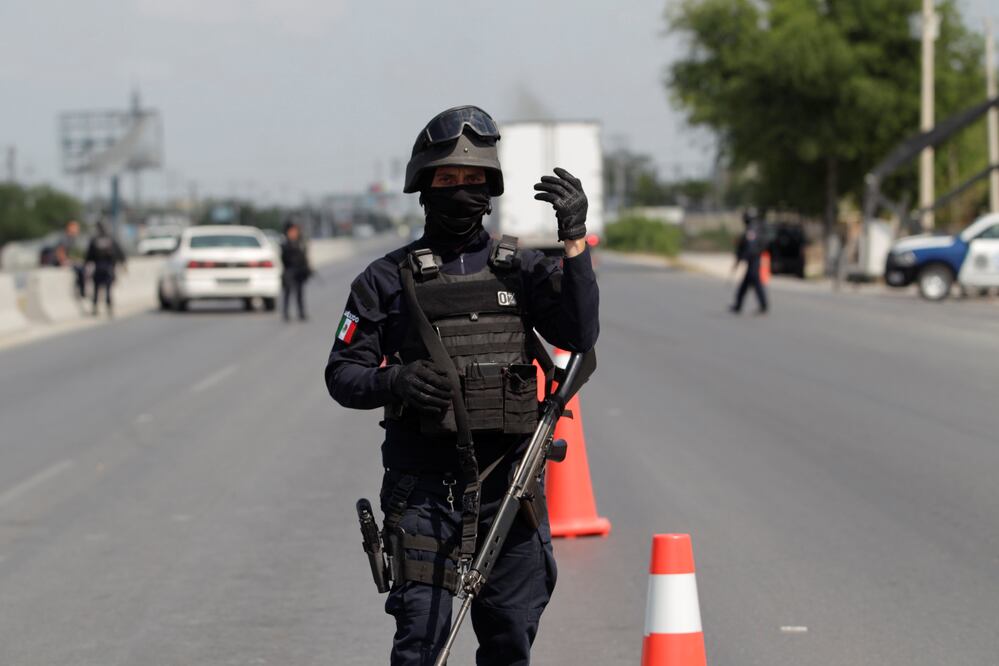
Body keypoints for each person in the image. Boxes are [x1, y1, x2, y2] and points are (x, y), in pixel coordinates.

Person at [325, 105, 599, 666]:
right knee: (421, 647)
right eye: (448, 180)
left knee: (508, 644)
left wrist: (574, 245)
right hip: (425, 495)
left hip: (509, 492)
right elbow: (342, 374)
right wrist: (395, 380)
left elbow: (579, 331)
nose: (461, 191)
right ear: (424, 188)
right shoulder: (383, 280)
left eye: (473, 180)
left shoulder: (519, 270)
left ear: (491, 188)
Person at [730, 207, 769, 315]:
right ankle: (739, 305)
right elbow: (743, 246)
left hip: (754, 260)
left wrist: (743, 258)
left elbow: (750, 248)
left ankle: (763, 305)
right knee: (746, 283)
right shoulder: (753, 228)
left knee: (755, 282)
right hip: (752, 260)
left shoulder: (753, 229)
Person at [84, 221, 126, 317]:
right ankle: (108, 308)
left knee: (97, 289)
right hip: (108, 268)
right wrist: (123, 264)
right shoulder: (110, 240)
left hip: (99, 268)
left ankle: (96, 308)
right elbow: (120, 254)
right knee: (107, 289)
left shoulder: (95, 240)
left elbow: (88, 257)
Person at [280, 220, 312, 321]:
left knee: (300, 293)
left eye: (295, 231)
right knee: (288, 293)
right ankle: (286, 313)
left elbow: (305, 257)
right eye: (292, 231)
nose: (294, 233)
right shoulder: (285, 244)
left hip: (300, 271)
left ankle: (301, 313)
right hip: (289, 271)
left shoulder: (301, 243)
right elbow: (283, 259)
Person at [56, 219, 87, 300]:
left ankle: (81, 291)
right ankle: (82, 292)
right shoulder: (65, 238)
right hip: (62, 262)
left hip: (68, 260)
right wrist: (64, 261)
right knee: (80, 269)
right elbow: (60, 251)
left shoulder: (72, 239)